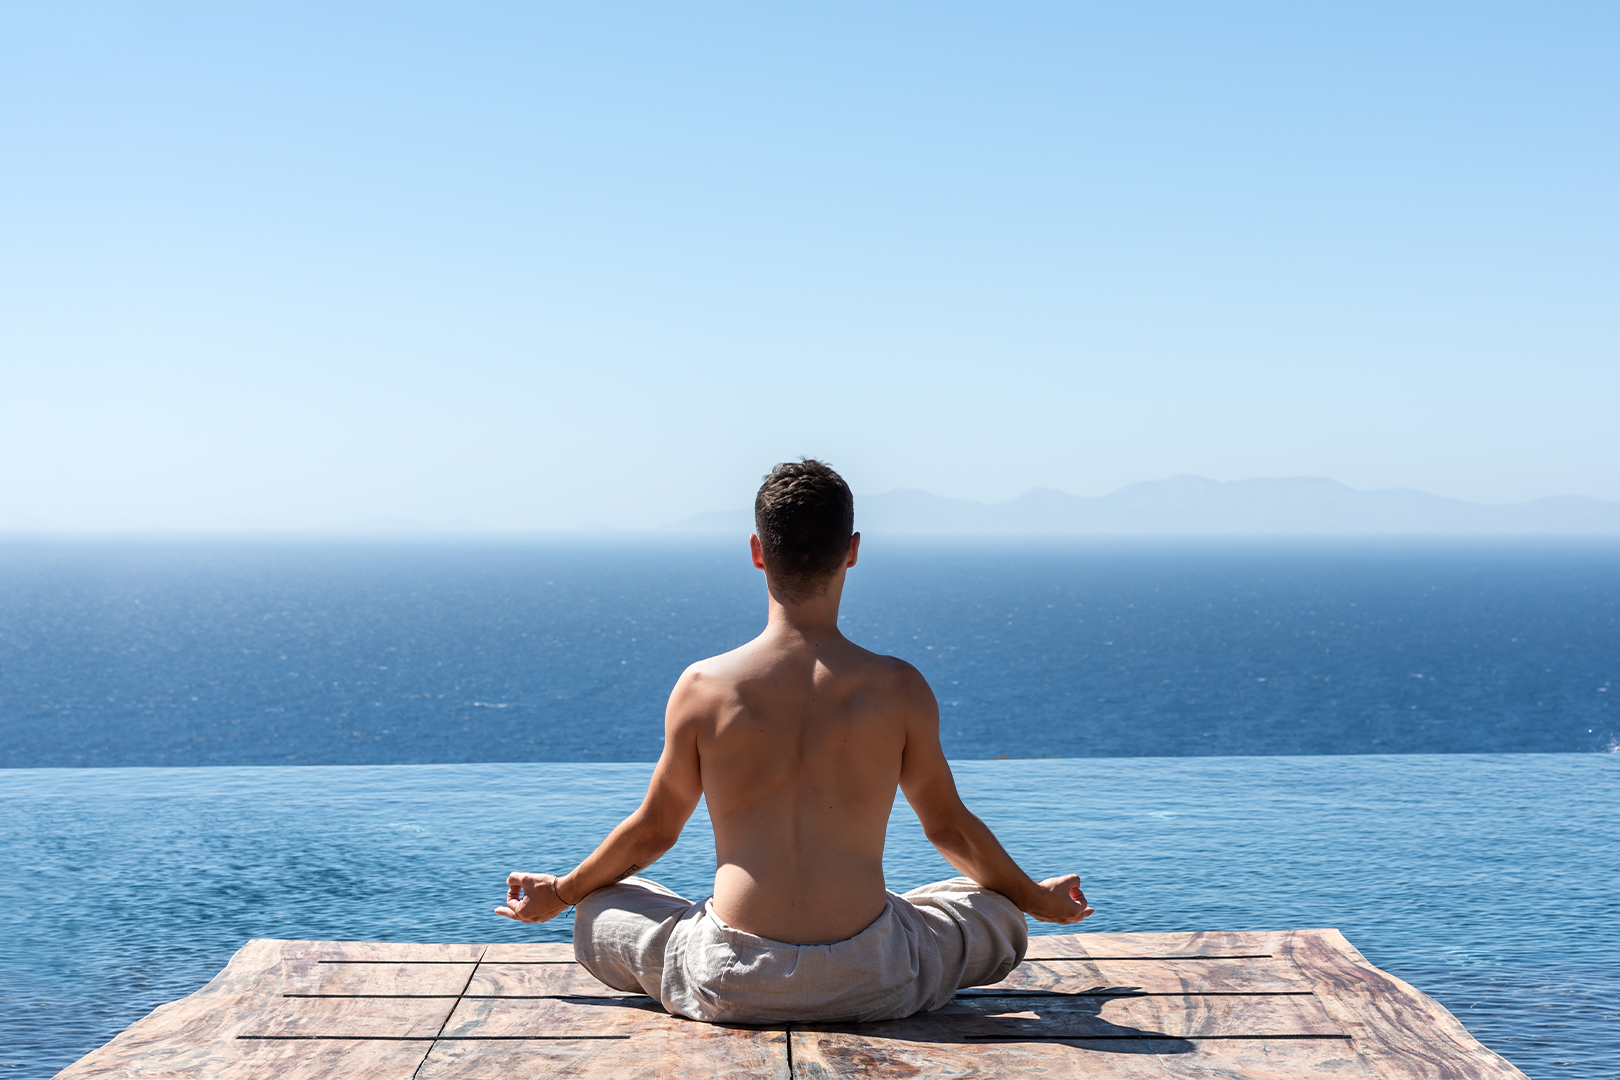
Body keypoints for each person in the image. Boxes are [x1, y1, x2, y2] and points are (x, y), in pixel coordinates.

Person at [495, 459, 1093, 1023]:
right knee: (991, 907)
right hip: (875, 976)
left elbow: (654, 832)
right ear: (852, 551)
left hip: (732, 977)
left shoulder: (703, 687)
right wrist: (1036, 899)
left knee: (600, 907)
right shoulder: (899, 687)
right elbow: (949, 829)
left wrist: (562, 892)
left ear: (758, 553)